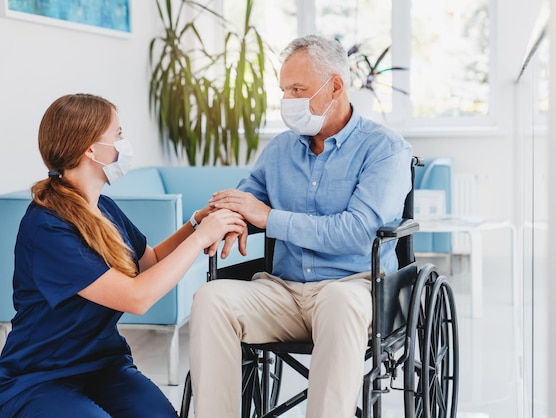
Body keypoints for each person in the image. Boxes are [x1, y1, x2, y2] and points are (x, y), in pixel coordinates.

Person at [189, 35, 413, 418]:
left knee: (340, 304)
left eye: (298, 89)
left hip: (352, 287)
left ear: (336, 87)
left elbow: (358, 231)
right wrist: (230, 220)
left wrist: (268, 218)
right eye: (284, 90)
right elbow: (247, 201)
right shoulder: (278, 151)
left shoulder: (384, 149)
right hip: (284, 291)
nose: (288, 101)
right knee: (212, 299)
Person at [0, 93, 247, 418]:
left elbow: (152, 262)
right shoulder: (47, 226)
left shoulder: (103, 208)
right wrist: (203, 235)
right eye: (118, 135)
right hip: (41, 376)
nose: (124, 144)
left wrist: (197, 222)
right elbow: (137, 297)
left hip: (103, 364)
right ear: (91, 149)